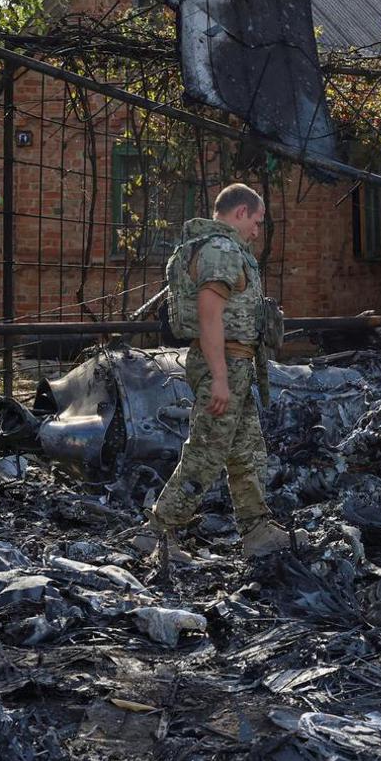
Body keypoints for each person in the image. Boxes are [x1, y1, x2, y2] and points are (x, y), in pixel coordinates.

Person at [136, 183, 293, 561]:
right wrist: (220, 377)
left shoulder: (220, 248)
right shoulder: (221, 250)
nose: (258, 231)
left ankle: (257, 530)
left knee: (247, 451)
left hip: (235, 365)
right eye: (257, 221)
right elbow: (210, 315)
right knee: (206, 452)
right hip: (223, 364)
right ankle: (157, 532)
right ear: (240, 213)